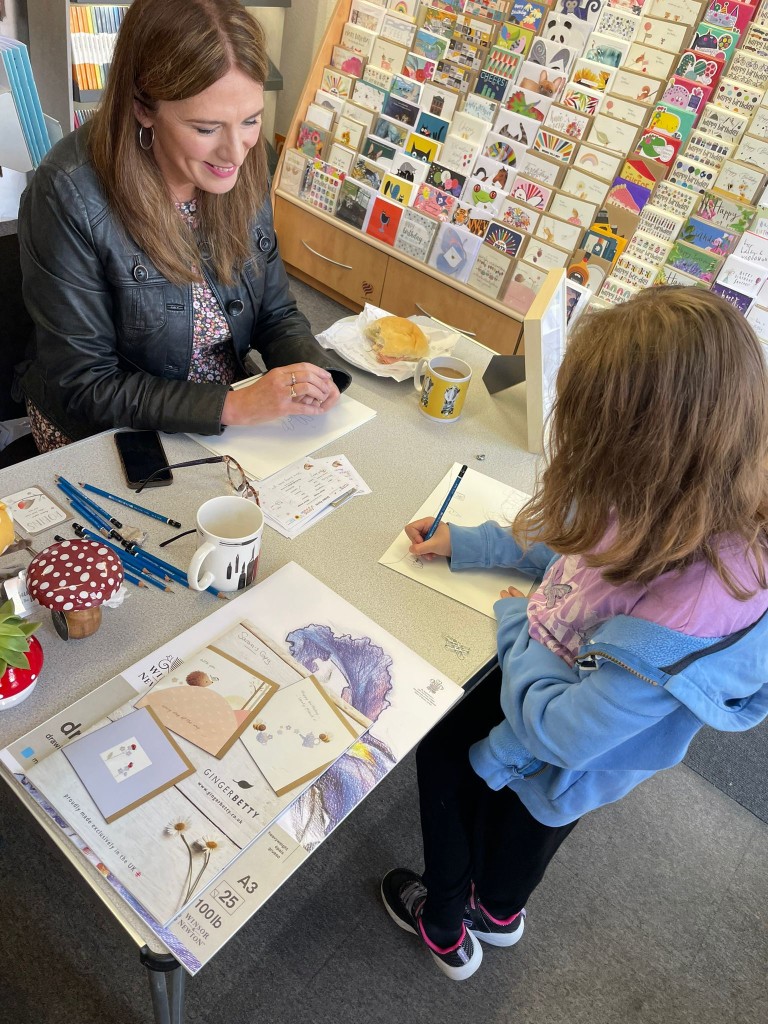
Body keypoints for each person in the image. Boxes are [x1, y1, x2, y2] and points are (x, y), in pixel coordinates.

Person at [381, 288, 768, 981]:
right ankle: (497, 913)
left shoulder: (689, 608)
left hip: (562, 748)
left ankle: (444, 922)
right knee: (519, 844)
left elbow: (564, 736)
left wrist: (510, 626)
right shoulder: (689, 493)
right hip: (566, 720)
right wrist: (468, 543)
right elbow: (577, 551)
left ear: (644, 448)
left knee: (447, 756)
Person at [15, 0, 349, 453]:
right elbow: (86, 384)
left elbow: (276, 313)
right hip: (102, 430)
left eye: (250, 120)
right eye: (207, 128)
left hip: (225, 406)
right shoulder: (68, 193)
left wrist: (312, 371)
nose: (236, 152)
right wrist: (231, 407)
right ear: (143, 108)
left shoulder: (246, 165)